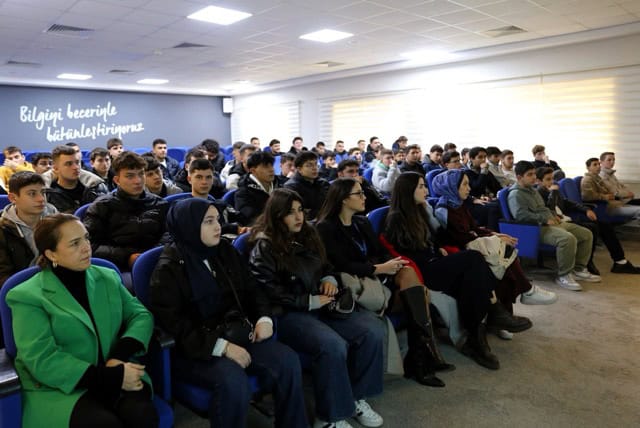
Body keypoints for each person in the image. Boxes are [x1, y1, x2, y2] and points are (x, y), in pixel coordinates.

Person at [149, 198, 307, 428]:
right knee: (233, 380)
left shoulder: (223, 250)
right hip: (196, 349)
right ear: (189, 226)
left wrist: (263, 318)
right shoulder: (168, 269)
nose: (218, 227)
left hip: (235, 332)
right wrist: (221, 347)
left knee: (287, 361)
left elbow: (253, 289)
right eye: (208, 221)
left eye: (218, 220)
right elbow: (176, 326)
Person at [249, 188, 385, 428]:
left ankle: (355, 397)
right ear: (277, 215)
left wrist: (329, 279)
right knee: (332, 345)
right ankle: (330, 417)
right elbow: (269, 292)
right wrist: (308, 301)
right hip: (289, 312)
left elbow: (326, 265)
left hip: (321, 302)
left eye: (300, 210)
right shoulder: (265, 246)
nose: (298, 217)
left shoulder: (308, 234)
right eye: (291, 213)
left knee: (372, 330)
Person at [6, 213, 157, 428]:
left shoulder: (106, 276)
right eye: (75, 243)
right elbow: (42, 359)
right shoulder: (26, 296)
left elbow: (140, 315)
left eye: (86, 238)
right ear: (51, 253)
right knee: (103, 424)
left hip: (114, 367)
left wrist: (118, 356)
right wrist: (110, 377)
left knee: (142, 415)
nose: (87, 248)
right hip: (61, 387)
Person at [383, 172, 531, 370]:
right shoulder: (397, 219)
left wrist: (439, 249)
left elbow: (433, 240)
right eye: (421, 187)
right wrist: (436, 253)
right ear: (408, 191)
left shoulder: (421, 211)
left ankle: (477, 339)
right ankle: (492, 312)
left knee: (473, 278)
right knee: (473, 258)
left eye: (425, 186)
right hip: (421, 272)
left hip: (434, 263)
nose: (426, 190)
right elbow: (409, 254)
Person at [316, 178, 454, 388]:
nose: (364, 197)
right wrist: (378, 269)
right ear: (343, 199)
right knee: (420, 293)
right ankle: (421, 358)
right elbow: (339, 264)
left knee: (409, 274)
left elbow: (379, 252)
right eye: (358, 194)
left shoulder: (361, 222)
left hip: (377, 277)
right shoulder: (326, 228)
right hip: (355, 284)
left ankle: (420, 358)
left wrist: (390, 264)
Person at [431, 169, 557, 314]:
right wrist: (495, 238)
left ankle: (510, 310)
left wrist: (495, 234)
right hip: (461, 252)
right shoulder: (444, 210)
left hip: (472, 243)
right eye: (465, 184)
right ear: (452, 186)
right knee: (503, 255)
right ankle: (526, 292)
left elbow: (474, 228)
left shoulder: (458, 204)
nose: (469, 188)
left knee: (505, 257)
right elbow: (462, 238)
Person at [508, 161, 599, 291]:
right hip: (535, 228)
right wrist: (545, 219)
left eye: (534, 174)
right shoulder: (515, 194)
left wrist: (552, 215)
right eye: (529, 174)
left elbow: (543, 208)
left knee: (586, 234)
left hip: (549, 222)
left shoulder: (532, 190)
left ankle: (578, 269)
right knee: (567, 239)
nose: (534, 177)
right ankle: (564, 275)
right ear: (519, 177)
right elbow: (521, 216)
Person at [536, 167, 640, 275]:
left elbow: (568, 203)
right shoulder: (539, 194)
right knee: (592, 228)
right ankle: (587, 263)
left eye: (552, 179)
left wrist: (586, 210)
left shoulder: (552, 191)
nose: (552, 182)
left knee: (604, 225)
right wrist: (553, 192)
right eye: (548, 179)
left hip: (567, 219)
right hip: (557, 223)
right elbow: (550, 209)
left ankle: (620, 261)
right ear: (539, 181)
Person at [83, 151, 169, 271]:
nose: (138, 181)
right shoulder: (102, 206)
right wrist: (126, 257)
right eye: (130, 176)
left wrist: (150, 255)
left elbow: (169, 235)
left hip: (157, 261)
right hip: (118, 267)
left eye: (141, 174)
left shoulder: (160, 204)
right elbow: (88, 245)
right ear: (117, 180)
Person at [0, 172, 57, 287]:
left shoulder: (55, 219)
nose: (41, 199)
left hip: (55, 280)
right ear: (13, 198)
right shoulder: (3, 228)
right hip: (21, 288)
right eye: (32, 194)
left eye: (43, 192)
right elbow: (3, 275)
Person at [45, 145, 109, 214]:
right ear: (56, 168)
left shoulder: (95, 188)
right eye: (69, 164)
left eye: (77, 162)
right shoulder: (48, 195)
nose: (76, 167)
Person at [235, 151, 281, 225]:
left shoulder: (280, 184)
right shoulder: (243, 193)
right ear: (253, 170)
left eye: (271, 165)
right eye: (266, 166)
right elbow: (251, 219)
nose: (272, 169)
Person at [283, 151, 330, 220]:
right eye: (309, 165)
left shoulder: (323, 183)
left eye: (316, 164)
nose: (314, 168)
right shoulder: (291, 187)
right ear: (299, 169)